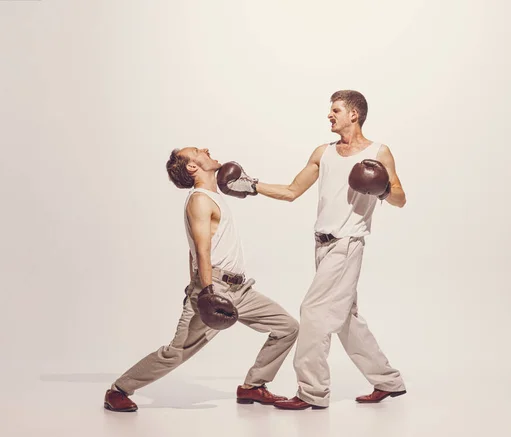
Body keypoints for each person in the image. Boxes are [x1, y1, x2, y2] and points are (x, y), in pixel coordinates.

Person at [216, 90, 407, 410]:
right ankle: (388, 381)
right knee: (345, 319)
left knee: (313, 313)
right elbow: (291, 191)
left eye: (336, 110)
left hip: (347, 245)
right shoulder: (323, 152)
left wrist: (383, 187)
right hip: (321, 246)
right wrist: (252, 185)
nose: (329, 116)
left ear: (354, 115)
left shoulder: (379, 152)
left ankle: (312, 392)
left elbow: (400, 198)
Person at [103, 147, 299, 412]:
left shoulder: (211, 197)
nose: (205, 149)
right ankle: (119, 390)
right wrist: (205, 291)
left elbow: (193, 251)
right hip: (214, 286)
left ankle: (253, 386)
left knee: (287, 327)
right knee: (177, 351)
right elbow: (201, 250)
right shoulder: (199, 200)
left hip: (240, 288)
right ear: (192, 168)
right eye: (197, 151)